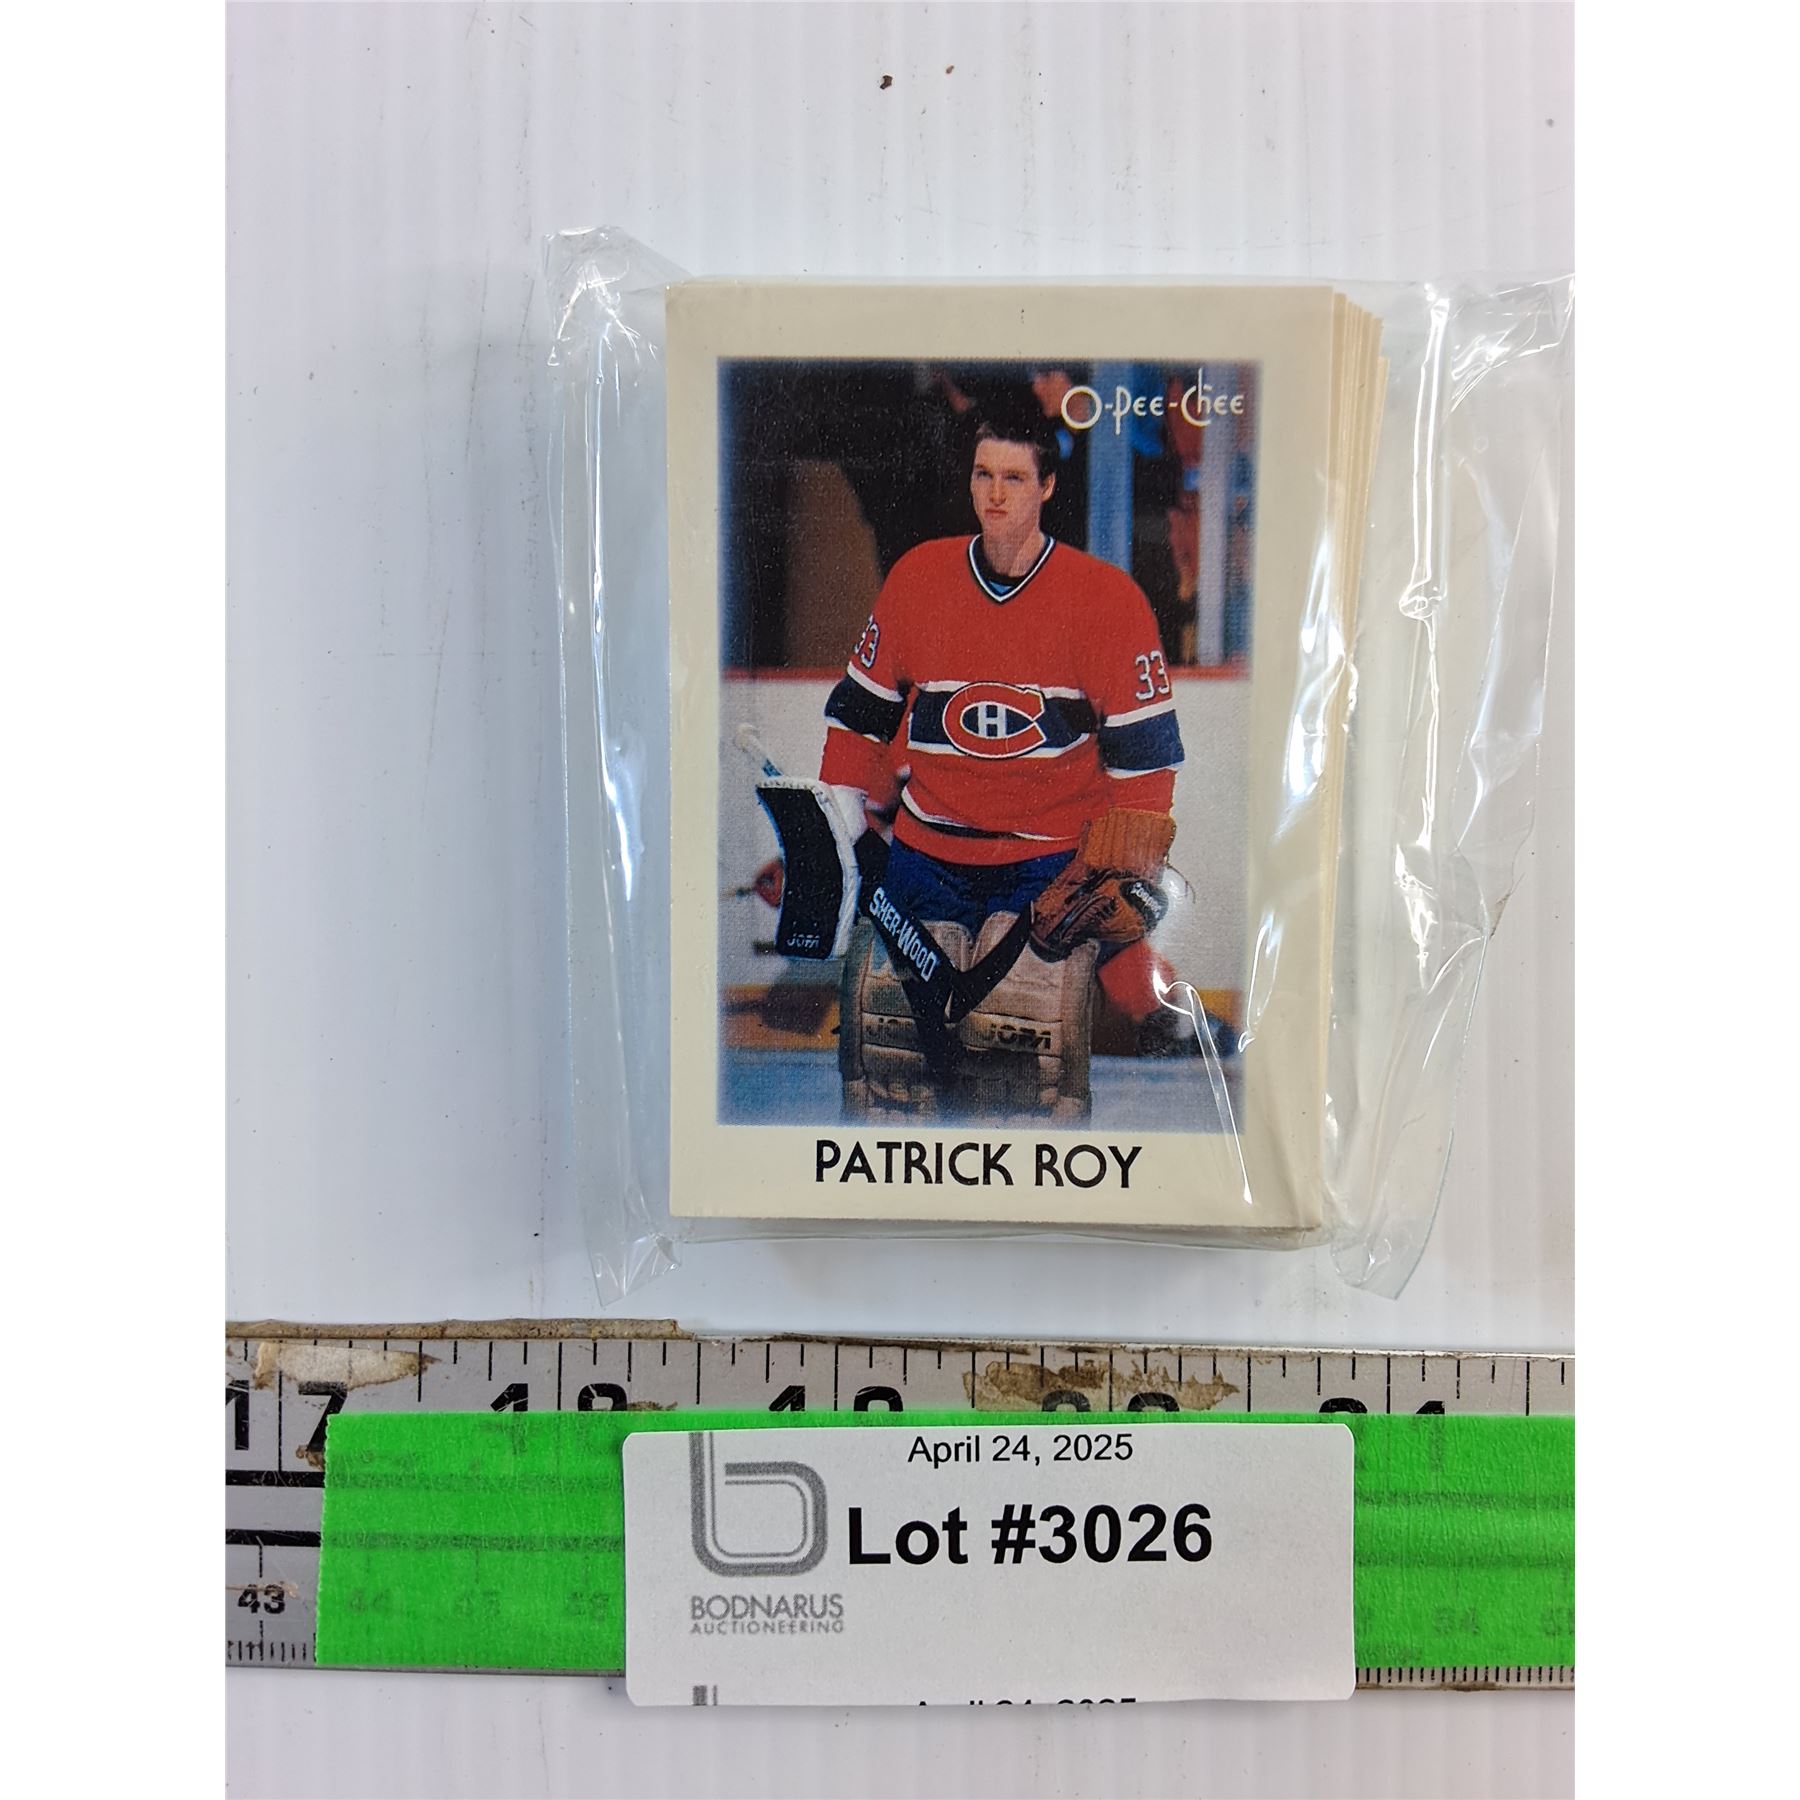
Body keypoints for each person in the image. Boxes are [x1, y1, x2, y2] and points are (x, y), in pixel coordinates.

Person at [817, 403, 1192, 1050]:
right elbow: (858, 719)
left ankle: (1177, 1024)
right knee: (892, 1053)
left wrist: (1118, 867)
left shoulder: (1105, 600)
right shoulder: (918, 579)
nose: (994, 494)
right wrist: (846, 827)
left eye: (1014, 478)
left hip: (1045, 863)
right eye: (983, 475)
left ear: (1047, 486)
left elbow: (1145, 759)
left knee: (1017, 1064)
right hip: (926, 858)